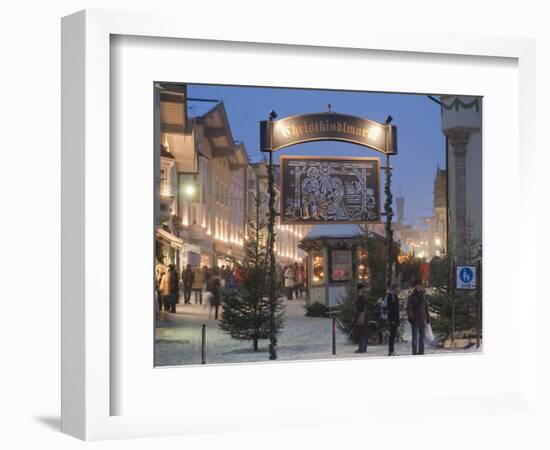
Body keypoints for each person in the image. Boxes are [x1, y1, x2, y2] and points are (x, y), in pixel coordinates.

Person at [406, 280, 431, 355]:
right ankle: (414, 352)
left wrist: (428, 317)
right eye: (417, 286)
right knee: (415, 339)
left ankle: (421, 352)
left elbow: (426, 307)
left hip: (423, 319)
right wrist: (411, 317)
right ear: (415, 287)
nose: (419, 287)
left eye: (420, 286)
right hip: (415, 319)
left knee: (422, 338)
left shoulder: (424, 296)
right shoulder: (412, 297)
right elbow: (409, 308)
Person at [386, 282, 401, 356]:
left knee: (393, 335)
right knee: (392, 335)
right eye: (398, 287)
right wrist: (393, 320)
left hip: (394, 318)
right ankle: (391, 350)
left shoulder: (393, 295)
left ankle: (391, 350)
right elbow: (392, 309)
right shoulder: (392, 296)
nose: (399, 289)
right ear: (395, 288)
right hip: (393, 319)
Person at [354, 282, 368, 353]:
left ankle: (361, 348)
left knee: (360, 332)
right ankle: (364, 347)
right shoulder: (363, 295)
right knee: (364, 332)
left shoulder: (359, 296)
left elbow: (359, 308)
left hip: (360, 315)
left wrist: (355, 318)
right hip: (364, 315)